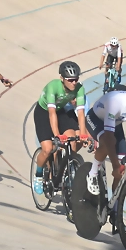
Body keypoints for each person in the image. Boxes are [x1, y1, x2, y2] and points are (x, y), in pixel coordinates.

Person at [32, 61, 90, 195]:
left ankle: (66, 168)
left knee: (74, 140)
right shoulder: (53, 86)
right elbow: (51, 114)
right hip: (44, 112)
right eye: (70, 80)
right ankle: (39, 175)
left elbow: (81, 114)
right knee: (47, 149)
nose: (74, 83)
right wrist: (57, 135)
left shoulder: (79, 88)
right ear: (62, 79)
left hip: (61, 111)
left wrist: (83, 135)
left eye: (76, 79)